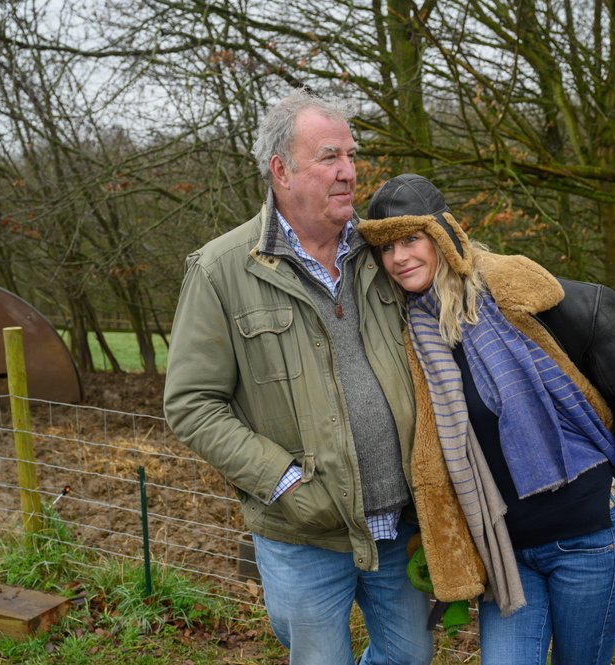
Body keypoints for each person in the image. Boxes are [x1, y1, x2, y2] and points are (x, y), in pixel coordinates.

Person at [358, 173, 615, 665]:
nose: (399, 257)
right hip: (508, 556)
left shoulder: (526, 297)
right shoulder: (408, 335)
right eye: (386, 248)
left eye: (410, 239)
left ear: (443, 234)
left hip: (591, 538)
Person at [163, 92, 433, 665]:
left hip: (401, 520)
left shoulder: (386, 252)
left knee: (410, 657)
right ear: (281, 170)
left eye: (352, 156)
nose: (349, 172)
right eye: (329, 156)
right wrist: (285, 483)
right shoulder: (221, 270)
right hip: (303, 533)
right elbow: (192, 404)